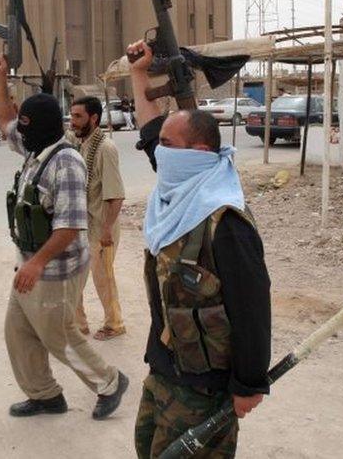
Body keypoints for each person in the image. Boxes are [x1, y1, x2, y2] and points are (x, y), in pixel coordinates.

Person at [126, 40, 271, 458]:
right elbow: (151, 129)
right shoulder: (178, 193)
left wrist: (249, 384)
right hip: (166, 370)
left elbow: (252, 307)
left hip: (206, 383)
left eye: (169, 146)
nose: (158, 152)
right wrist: (140, 74)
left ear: (200, 153)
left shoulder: (224, 219)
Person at [0, 53, 129, 421]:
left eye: (26, 126)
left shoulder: (65, 162)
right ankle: (45, 395)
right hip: (31, 262)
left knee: (59, 335)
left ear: (45, 126)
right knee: (18, 333)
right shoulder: (35, 147)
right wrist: (1, 78)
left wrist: (36, 263)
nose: (19, 131)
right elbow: (4, 119)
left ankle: (110, 382)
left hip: (55, 267)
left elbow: (70, 226)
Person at [68, 96, 127, 341]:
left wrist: (106, 230)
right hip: (80, 225)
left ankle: (115, 324)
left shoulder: (106, 148)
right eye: (71, 115)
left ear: (93, 118)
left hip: (101, 226)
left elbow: (116, 196)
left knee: (103, 278)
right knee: (73, 278)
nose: (72, 121)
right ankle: (79, 324)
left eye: (78, 116)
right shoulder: (77, 141)